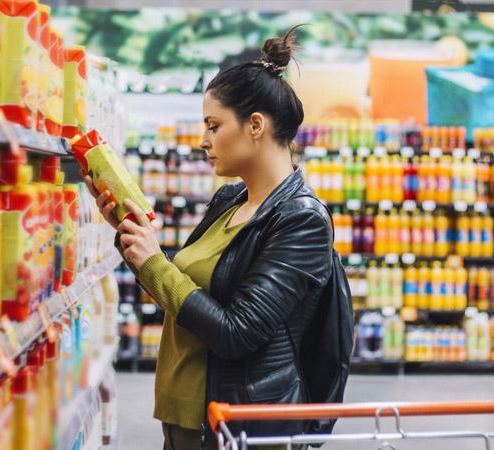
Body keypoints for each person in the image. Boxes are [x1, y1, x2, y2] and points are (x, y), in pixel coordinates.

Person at [84, 26, 333, 450]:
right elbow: (179, 292)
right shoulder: (229, 200)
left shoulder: (301, 220)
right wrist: (131, 236)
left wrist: (154, 261)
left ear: (255, 125)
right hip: (185, 422)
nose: (203, 141)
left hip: (235, 428)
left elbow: (237, 332)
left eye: (213, 126)